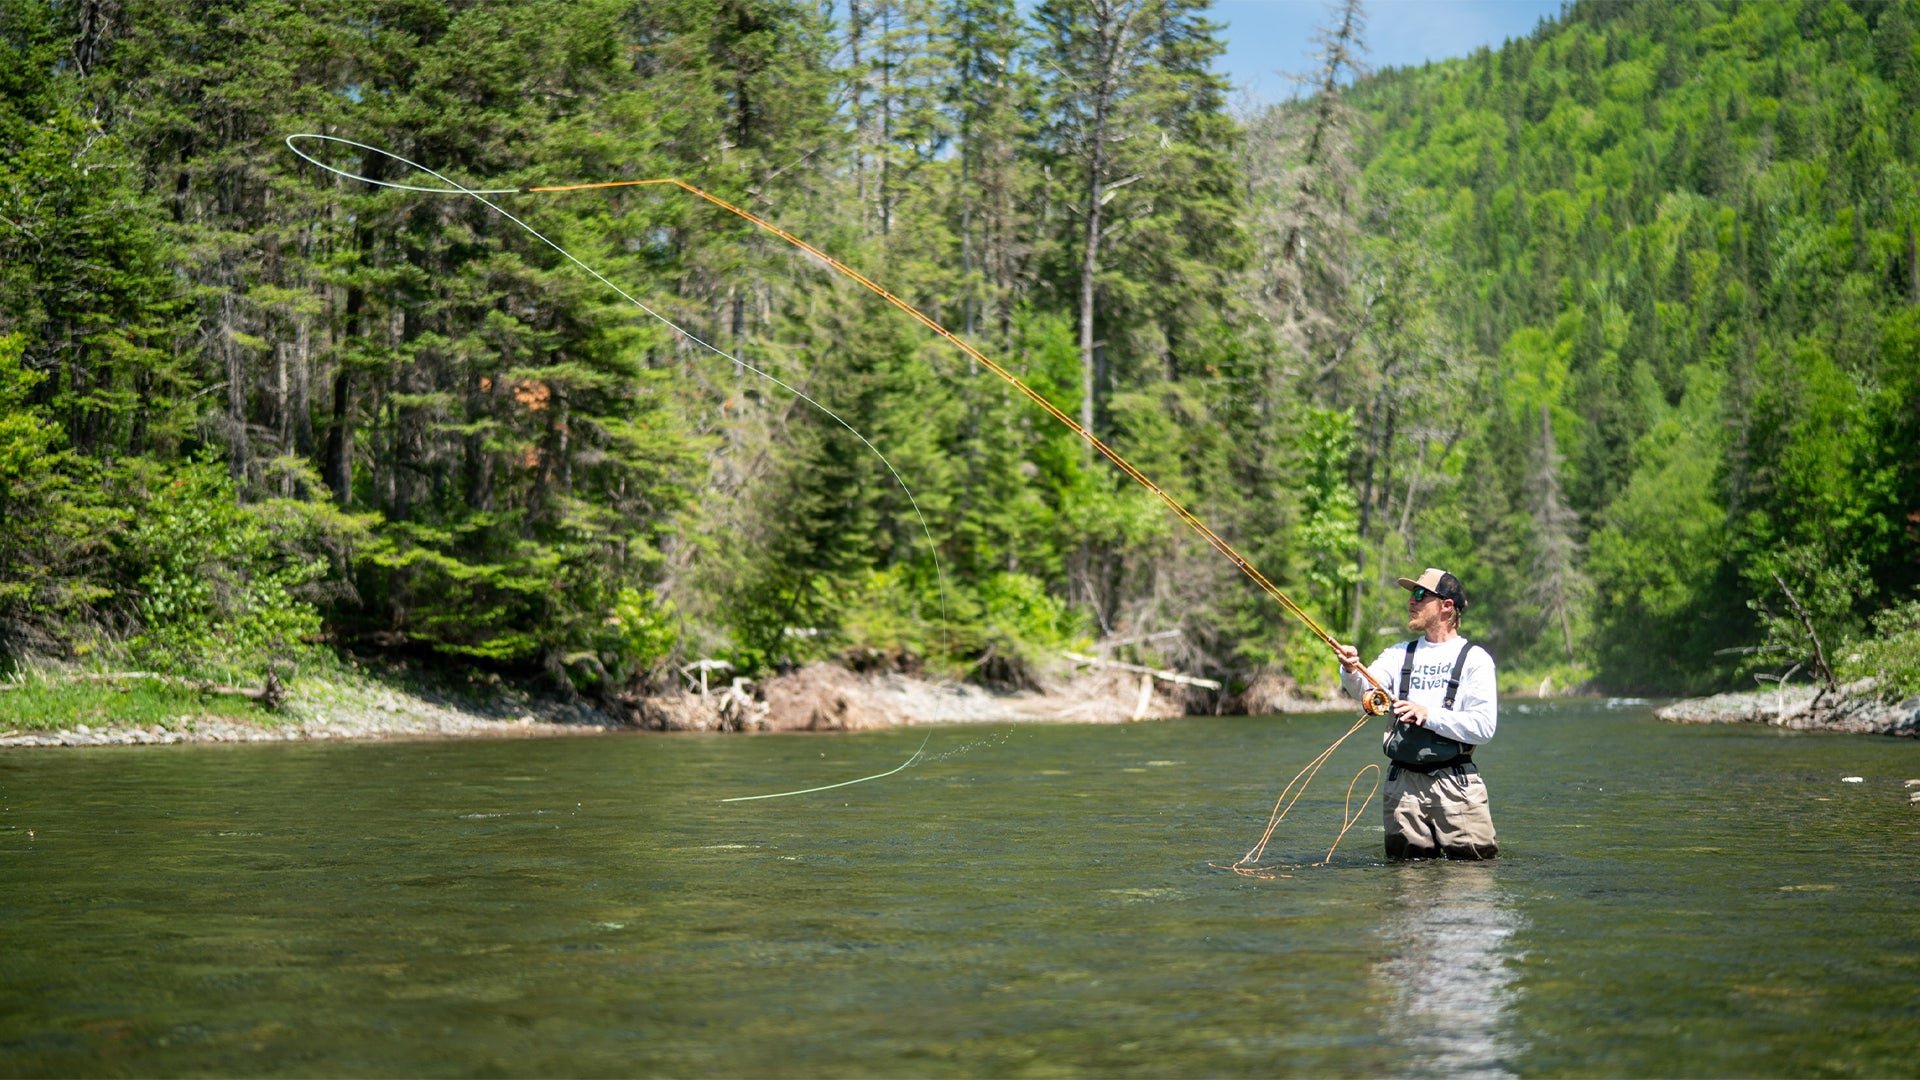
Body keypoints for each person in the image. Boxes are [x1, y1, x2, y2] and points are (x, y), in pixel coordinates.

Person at [1333, 568, 1498, 860]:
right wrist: (1349, 668)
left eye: (1421, 595)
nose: (1412, 601)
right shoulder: (1398, 654)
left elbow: (1483, 727)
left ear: (1447, 606)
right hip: (1402, 786)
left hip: (1457, 784)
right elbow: (1366, 689)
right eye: (1411, 595)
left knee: (1474, 876)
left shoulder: (1475, 659)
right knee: (1408, 880)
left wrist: (1427, 714)